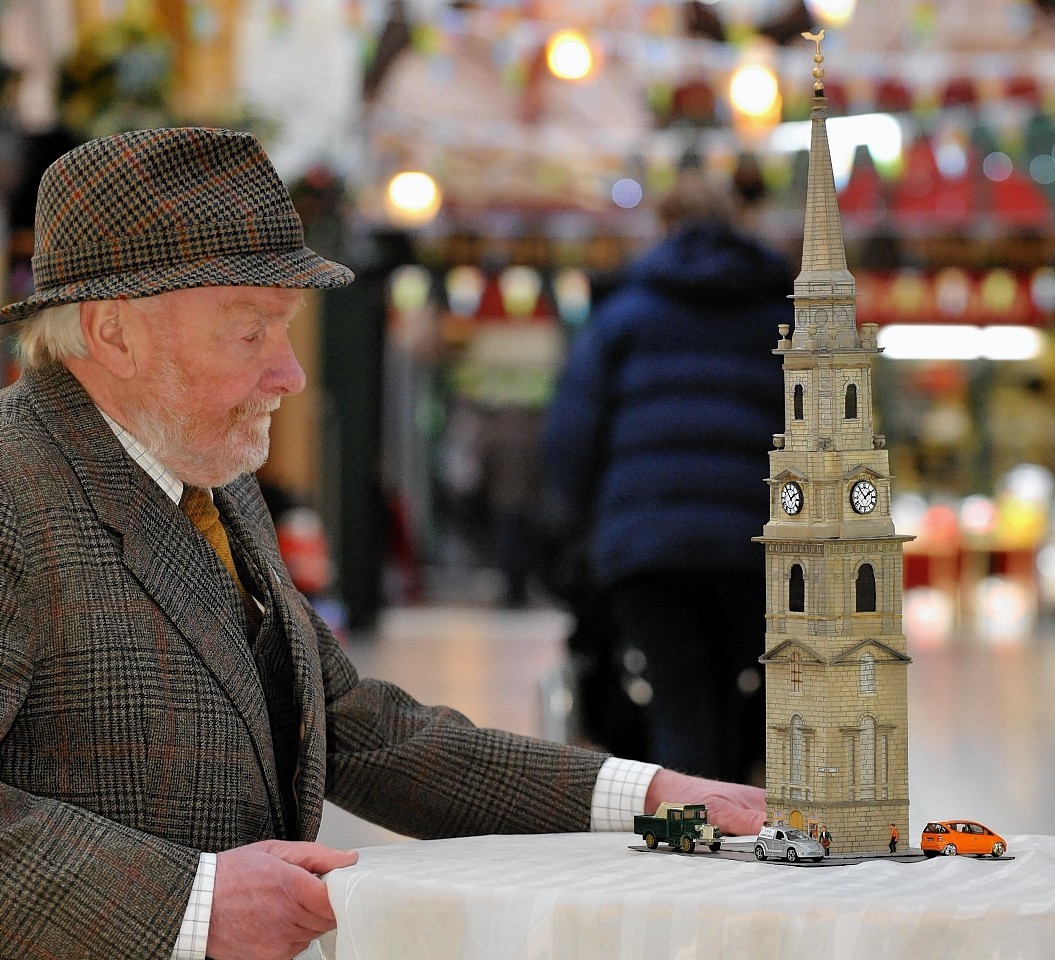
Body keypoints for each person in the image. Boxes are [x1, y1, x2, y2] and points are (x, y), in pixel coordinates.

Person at [0, 127, 765, 960]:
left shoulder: (205, 475)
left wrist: (648, 791)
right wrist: (192, 901)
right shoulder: (16, 487)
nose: (288, 374)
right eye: (249, 331)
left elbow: (350, 724)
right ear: (114, 334)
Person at [543, 167, 794, 784]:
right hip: (760, 544)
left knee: (678, 693)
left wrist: (587, 520)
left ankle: (694, 846)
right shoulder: (784, 311)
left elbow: (571, 436)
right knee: (744, 687)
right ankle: (736, 820)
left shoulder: (623, 312)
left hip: (647, 543)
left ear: (663, 226)